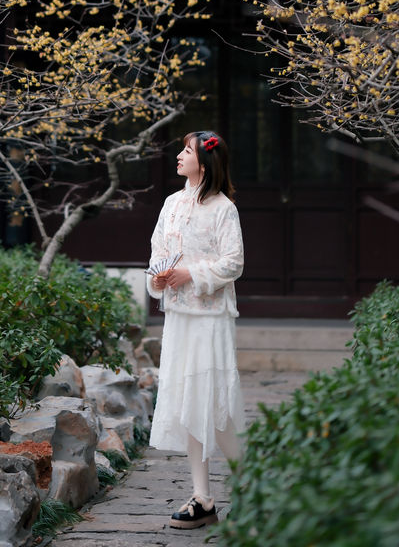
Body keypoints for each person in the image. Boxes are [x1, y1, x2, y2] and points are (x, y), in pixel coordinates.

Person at [146, 130, 245, 530]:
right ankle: (202, 497)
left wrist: (191, 273)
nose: (178, 156)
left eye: (185, 151)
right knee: (189, 402)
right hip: (180, 318)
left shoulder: (224, 209)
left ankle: (253, 484)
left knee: (214, 404)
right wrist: (158, 278)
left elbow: (233, 263)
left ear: (204, 164)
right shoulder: (171, 204)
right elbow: (156, 253)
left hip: (211, 319)